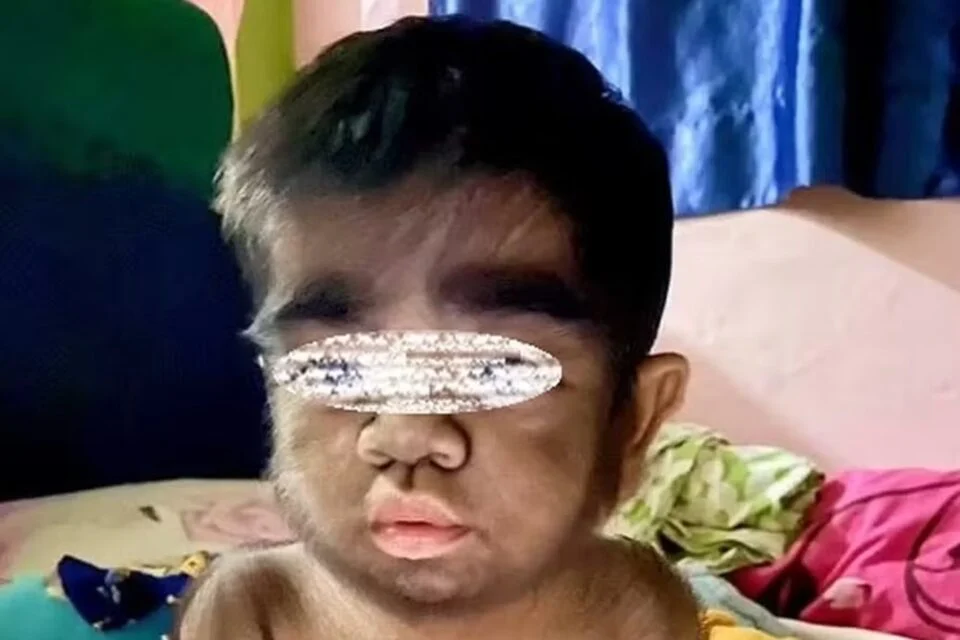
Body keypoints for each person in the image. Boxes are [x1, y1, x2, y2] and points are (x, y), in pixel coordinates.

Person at [175, 14, 699, 640]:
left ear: (633, 422)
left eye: (495, 369)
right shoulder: (254, 608)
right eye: (337, 368)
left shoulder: (633, 610)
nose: (406, 436)